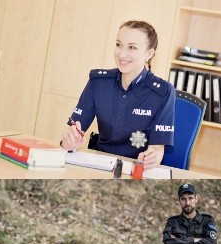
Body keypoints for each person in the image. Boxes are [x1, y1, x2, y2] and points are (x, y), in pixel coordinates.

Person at [61, 20, 175, 169]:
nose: (122, 54)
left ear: (149, 54)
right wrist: (69, 142)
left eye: (132, 47)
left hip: (137, 168)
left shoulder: (163, 92)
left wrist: (151, 158)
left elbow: (157, 149)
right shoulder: (98, 82)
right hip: (100, 164)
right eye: (118, 44)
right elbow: (75, 131)